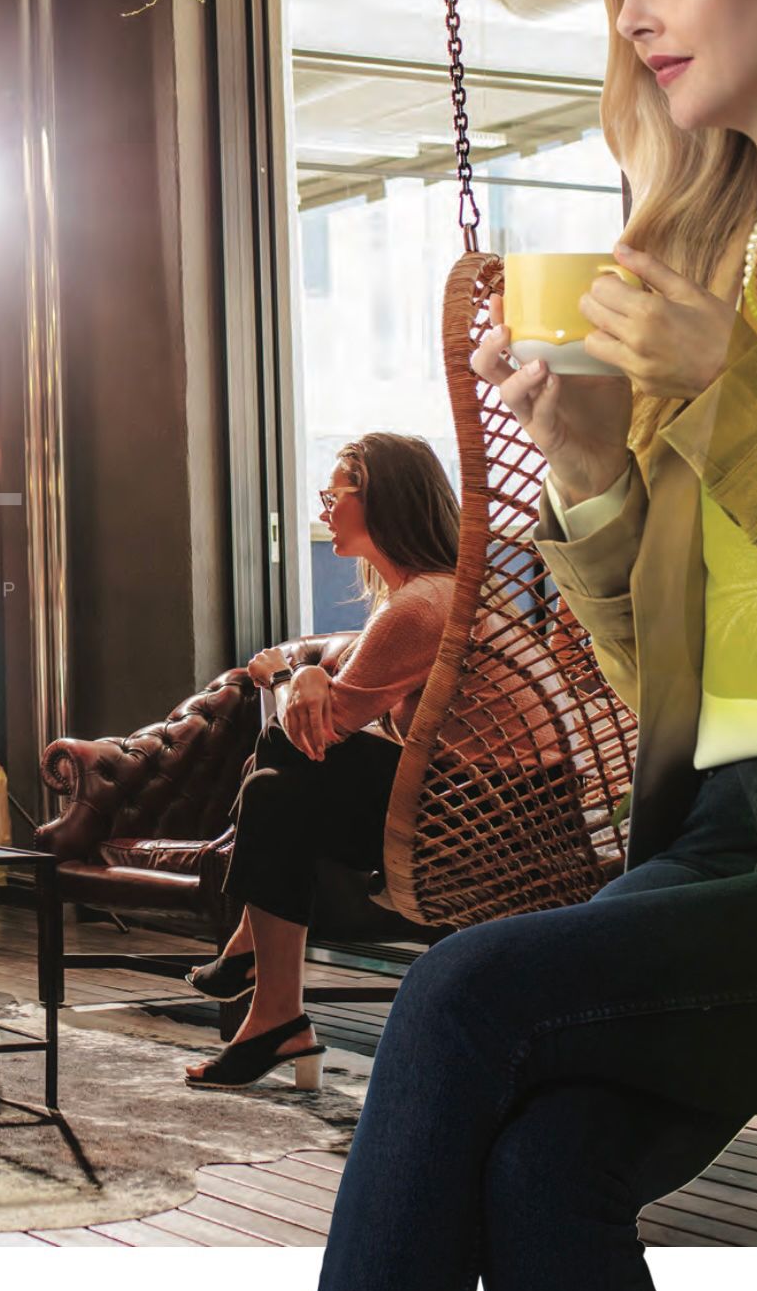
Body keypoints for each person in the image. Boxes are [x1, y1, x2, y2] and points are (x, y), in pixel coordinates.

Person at [317, 0, 757, 1291]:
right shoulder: (714, 257)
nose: (631, 11)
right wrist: (587, 473)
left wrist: (734, 390)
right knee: (539, 1165)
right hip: (714, 839)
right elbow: (669, 687)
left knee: (456, 996)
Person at [179, 433, 534, 1091]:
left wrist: (291, 673)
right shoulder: (441, 592)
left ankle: (269, 997)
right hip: (496, 802)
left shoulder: (419, 607)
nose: (324, 510)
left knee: (278, 775)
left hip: (484, 819)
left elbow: (317, 731)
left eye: (333, 494)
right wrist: (313, 674)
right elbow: (341, 702)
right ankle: (268, 1000)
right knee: (275, 784)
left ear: (382, 501)